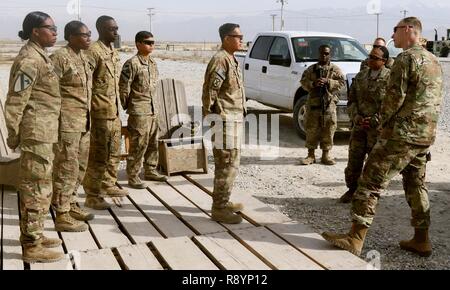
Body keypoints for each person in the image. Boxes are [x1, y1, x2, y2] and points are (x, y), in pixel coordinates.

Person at [322, 17, 443, 257]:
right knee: (415, 184)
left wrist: (380, 124)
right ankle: (422, 239)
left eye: (396, 30)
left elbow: (393, 99)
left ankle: (355, 238)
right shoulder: (433, 59)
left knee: (370, 181)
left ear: (409, 30)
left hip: (401, 135)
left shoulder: (407, 58)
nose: (393, 34)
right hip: (424, 135)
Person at [4, 11, 63, 263]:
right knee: (35, 187)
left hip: (45, 132)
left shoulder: (41, 56)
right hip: (36, 134)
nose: (55, 32)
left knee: (41, 184)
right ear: (35, 31)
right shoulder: (29, 60)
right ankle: (31, 245)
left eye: (55, 27)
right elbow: (16, 101)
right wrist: (14, 135)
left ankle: (35, 233)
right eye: (50, 28)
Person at [50, 21, 94, 232]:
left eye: (89, 34)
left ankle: (72, 202)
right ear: (70, 36)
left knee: (80, 166)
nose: (88, 38)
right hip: (67, 123)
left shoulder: (83, 58)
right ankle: (62, 213)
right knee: (66, 168)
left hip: (84, 122)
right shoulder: (59, 58)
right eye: (84, 35)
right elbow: (48, 91)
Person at [82, 15, 128, 210]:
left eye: (117, 28)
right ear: (101, 29)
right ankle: (92, 195)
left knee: (113, 152)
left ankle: (107, 184)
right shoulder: (93, 51)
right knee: (98, 155)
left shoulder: (112, 51)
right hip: (99, 112)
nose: (116, 32)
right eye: (112, 29)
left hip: (113, 110)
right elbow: (86, 83)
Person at [202, 23, 246, 224]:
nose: (241, 39)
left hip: (232, 120)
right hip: (224, 122)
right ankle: (219, 208)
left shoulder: (231, 59)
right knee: (226, 164)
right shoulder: (220, 60)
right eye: (238, 36)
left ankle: (223, 200)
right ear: (226, 38)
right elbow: (210, 93)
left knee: (231, 164)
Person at [340, 46, 391, 203]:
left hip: (377, 129)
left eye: (375, 57)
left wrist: (376, 119)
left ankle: (370, 194)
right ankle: (352, 189)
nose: (370, 59)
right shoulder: (361, 76)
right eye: (370, 56)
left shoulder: (390, 79)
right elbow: (352, 100)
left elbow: (391, 105)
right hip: (359, 126)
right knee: (354, 159)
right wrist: (356, 116)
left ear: (384, 61)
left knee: (374, 164)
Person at [119, 31, 167, 189]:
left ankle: (150, 170)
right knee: (139, 144)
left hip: (153, 109)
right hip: (139, 110)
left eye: (153, 42)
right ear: (138, 44)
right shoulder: (132, 63)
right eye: (147, 42)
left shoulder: (152, 63)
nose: (151, 45)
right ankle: (133, 175)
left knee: (153, 142)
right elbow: (123, 88)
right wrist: (130, 106)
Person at [299, 45, 345, 166]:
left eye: (326, 53)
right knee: (311, 128)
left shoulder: (335, 70)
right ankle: (311, 155)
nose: (324, 56)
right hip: (314, 103)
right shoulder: (311, 69)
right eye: (322, 53)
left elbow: (341, 83)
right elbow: (303, 82)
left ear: (330, 55)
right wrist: (313, 83)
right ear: (318, 54)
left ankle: (326, 155)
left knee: (329, 129)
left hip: (329, 104)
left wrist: (328, 82)